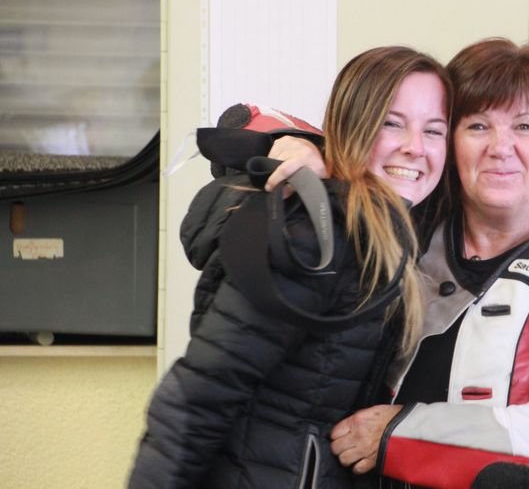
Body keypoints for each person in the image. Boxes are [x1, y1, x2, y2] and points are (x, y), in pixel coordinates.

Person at [269, 38, 529, 489]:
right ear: (449, 139)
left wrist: (402, 434)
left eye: (525, 127)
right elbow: (350, 149)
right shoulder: (410, 217)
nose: (500, 147)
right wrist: (306, 153)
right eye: (477, 126)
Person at [127, 45, 451, 489]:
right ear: (352, 128)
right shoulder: (318, 237)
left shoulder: (390, 232)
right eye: (392, 123)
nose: (415, 148)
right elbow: (197, 396)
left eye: (434, 131)